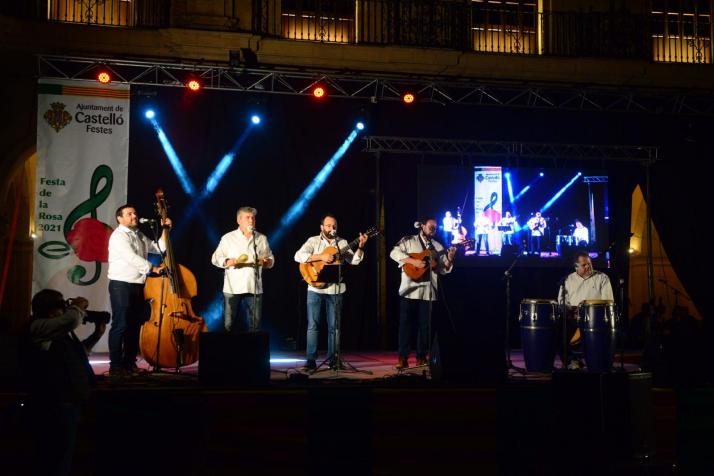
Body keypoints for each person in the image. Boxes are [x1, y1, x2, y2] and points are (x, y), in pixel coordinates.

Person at [23, 289, 106, 476]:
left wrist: (96, 335)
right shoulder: (38, 326)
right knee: (54, 461)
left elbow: (79, 353)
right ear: (51, 311)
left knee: (62, 459)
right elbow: (72, 320)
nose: (65, 310)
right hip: (53, 406)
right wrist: (78, 305)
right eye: (62, 307)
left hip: (68, 404)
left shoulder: (57, 331)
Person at [294, 214, 369, 370]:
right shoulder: (312, 241)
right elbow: (298, 256)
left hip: (336, 289)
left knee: (334, 327)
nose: (331, 228)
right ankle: (311, 360)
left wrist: (360, 246)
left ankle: (334, 360)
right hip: (315, 288)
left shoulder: (342, 243)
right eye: (328, 226)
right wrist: (321, 256)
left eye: (334, 226)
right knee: (313, 325)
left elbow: (354, 261)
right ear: (322, 227)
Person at [107, 204, 169, 377]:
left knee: (134, 326)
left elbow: (158, 247)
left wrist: (165, 229)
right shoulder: (118, 236)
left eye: (135, 212)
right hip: (121, 284)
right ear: (120, 219)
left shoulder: (138, 234)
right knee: (120, 325)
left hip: (137, 285)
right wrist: (153, 268)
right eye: (129, 214)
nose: (134, 215)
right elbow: (131, 258)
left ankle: (129, 364)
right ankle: (116, 367)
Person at [390, 218, 456, 369]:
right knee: (405, 325)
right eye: (431, 226)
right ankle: (403, 357)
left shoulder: (438, 246)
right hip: (409, 290)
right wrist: (413, 262)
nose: (433, 229)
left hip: (428, 292)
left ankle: (421, 356)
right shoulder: (409, 241)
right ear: (422, 226)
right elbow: (393, 252)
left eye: (435, 227)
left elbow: (443, 269)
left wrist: (450, 259)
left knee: (425, 326)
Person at [211, 207, 274, 333]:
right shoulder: (228, 238)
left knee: (255, 325)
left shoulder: (261, 238)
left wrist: (267, 262)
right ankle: (229, 352)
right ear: (239, 220)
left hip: (254, 286)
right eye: (247, 217)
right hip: (233, 287)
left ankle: (253, 352)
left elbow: (270, 258)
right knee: (229, 324)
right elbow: (215, 258)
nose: (251, 220)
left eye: (253, 218)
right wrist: (228, 261)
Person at [557, 251, 614, 369]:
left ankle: (594, 362)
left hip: (595, 320)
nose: (588, 266)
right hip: (573, 319)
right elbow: (562, 301)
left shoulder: (602, 278)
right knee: (558, 335)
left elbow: (608, 301)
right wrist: (569, 311)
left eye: (589, 263)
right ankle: (572, 362)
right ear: (576, 266)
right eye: (584, 265)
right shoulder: (568, 280)